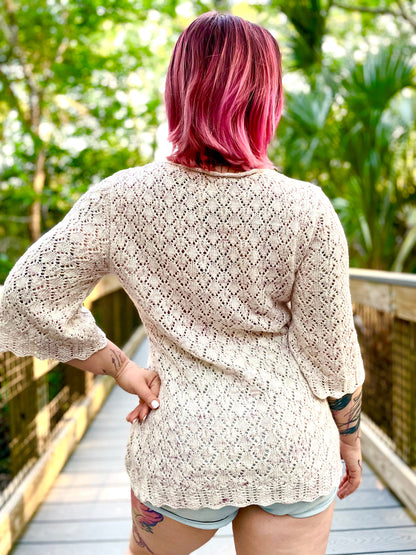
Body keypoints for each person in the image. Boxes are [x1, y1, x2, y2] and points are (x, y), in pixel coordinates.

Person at [0, 11, 365, 555]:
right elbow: (329, 349)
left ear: (180, 90)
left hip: (181, 447)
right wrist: (350, 439)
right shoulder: (304, 206)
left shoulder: (122, 197)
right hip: (290, 444)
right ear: (266, 96)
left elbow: (27, 295)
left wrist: (117, 366)